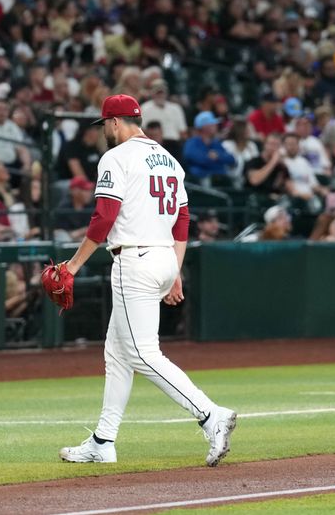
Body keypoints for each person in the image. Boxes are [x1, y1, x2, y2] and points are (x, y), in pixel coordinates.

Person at [58, 94, 236, 467]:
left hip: (135, 259)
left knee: (141, 353)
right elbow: (183, 220)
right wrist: (175, 270)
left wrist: (72, 265)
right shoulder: (168, 158)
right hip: (163, 258)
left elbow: (104, 218)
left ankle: (210, 415)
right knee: (117, 353)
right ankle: (102, 441)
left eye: (105, 124)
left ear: (115, 122)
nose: (105, 131)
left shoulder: (116, 157)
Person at [182, 111, 236, 183]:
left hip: (220, 179)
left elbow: (231, 159)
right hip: (200, 183)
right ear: (205, 127)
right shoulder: (192, 143)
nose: (216, 126)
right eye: (213, 124)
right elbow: (192, 157)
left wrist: (218, 156)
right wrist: (209, 157)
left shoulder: (216, 143)